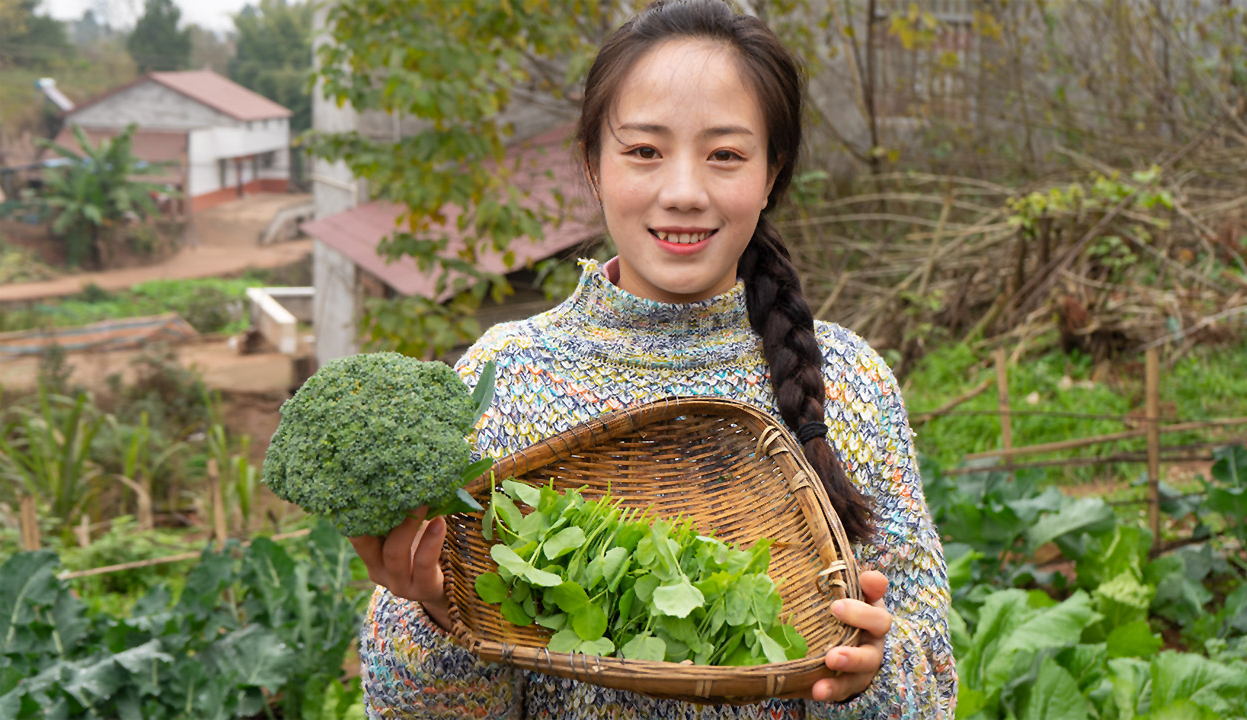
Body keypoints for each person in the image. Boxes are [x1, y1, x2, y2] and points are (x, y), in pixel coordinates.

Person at [349, 0, 956, 717]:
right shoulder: (503, 380)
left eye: (726, 154)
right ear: (593, 165)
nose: (683, 192)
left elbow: (931, 690)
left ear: (771, 174)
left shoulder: (850, 381)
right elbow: (407, 710)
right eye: (644, 151)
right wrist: (438, 616)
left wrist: (866, 679)